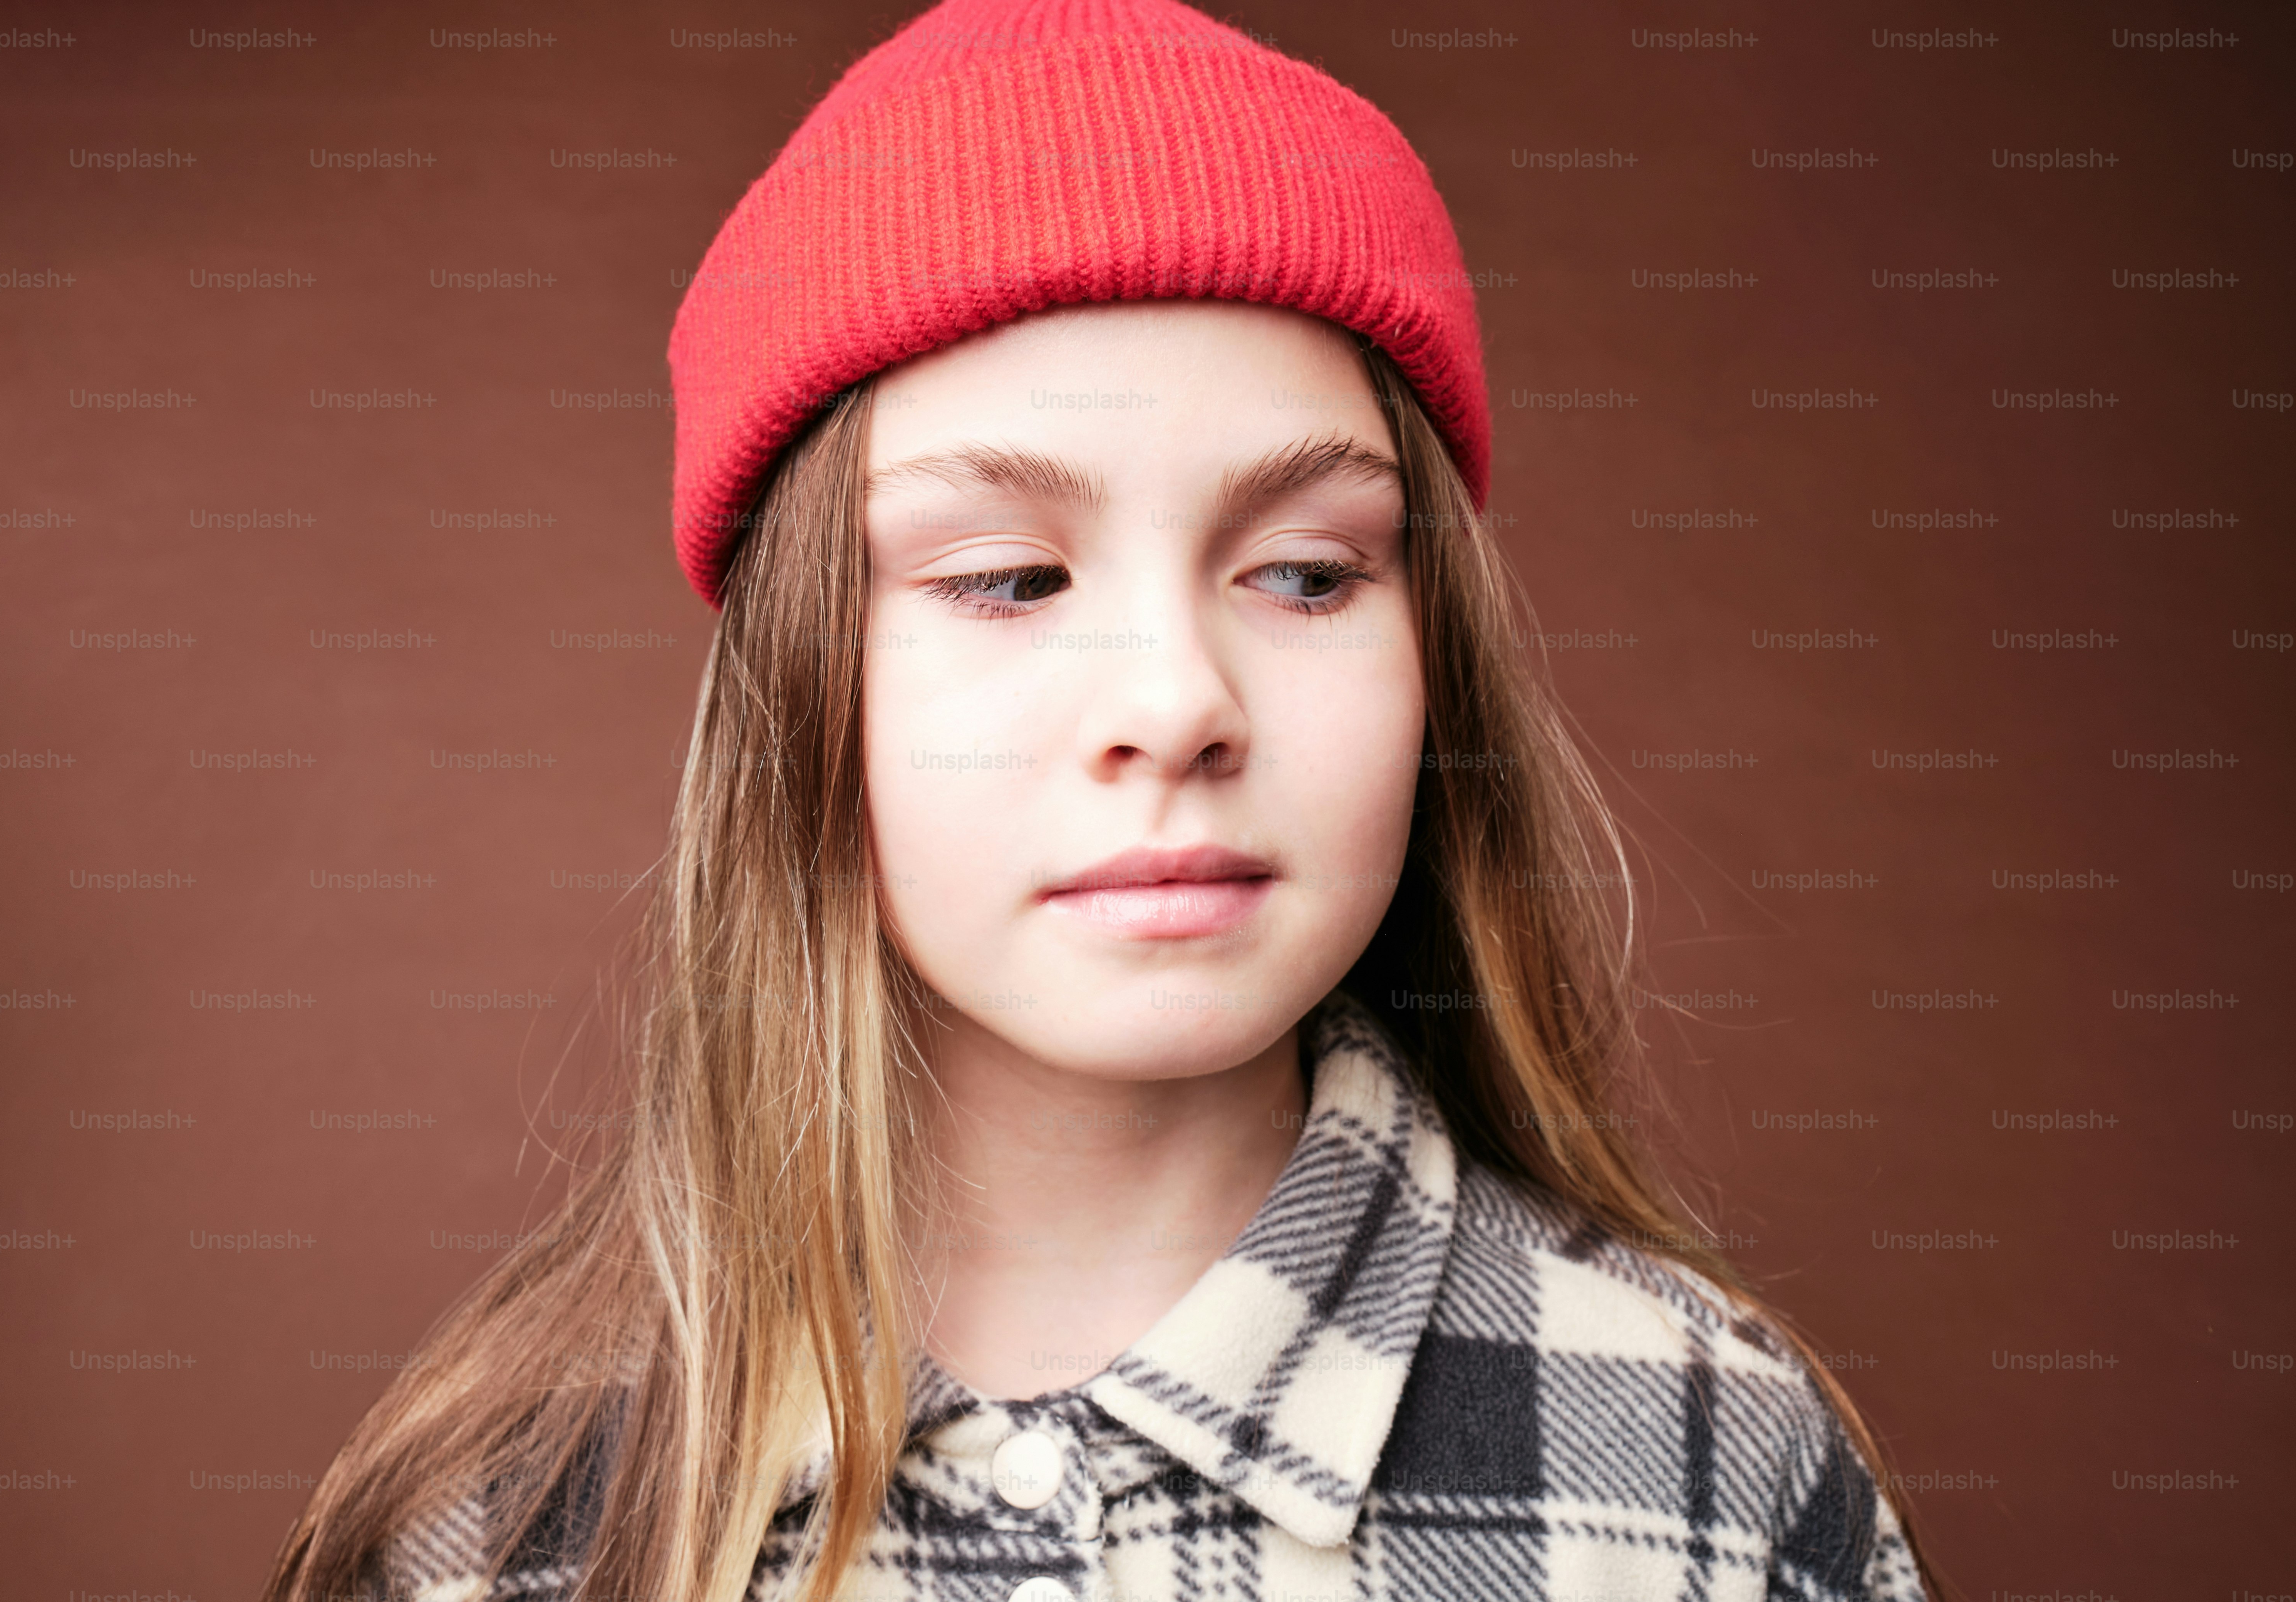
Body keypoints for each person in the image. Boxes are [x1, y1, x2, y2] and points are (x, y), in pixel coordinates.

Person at [265, 2, 1939, 1598]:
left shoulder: (1712, 1470)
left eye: (1301, 572)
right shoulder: (487, 1530)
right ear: (800, 689)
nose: (1177, 700)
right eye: (1007, 578)